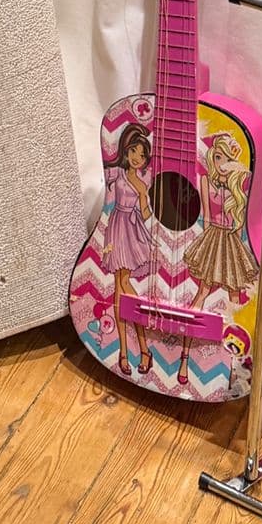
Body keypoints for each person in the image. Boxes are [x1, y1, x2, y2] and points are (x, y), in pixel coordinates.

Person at [177, 130, 260, 386]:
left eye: (227, 160)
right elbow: (202, 218)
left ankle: (234, 361)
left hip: (231, 243)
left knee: (235, 297)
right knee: (202, 292)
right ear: (213, 158)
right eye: (218, 158)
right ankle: (184, 356)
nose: (222, 165)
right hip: (213, 240)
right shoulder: (205, 182)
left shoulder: (239, 188)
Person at [101, 121, 154, 376]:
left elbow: (145, 215)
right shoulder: (116, 174)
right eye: (134, 151)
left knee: (122, 286)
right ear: (126, 149)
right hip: (116, 227)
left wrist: (144, 197)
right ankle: (134, 348)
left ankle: (132, 349)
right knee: (119, 285)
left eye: (142, 154)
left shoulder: (144, 181)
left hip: (132, 231)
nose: (137, 158)